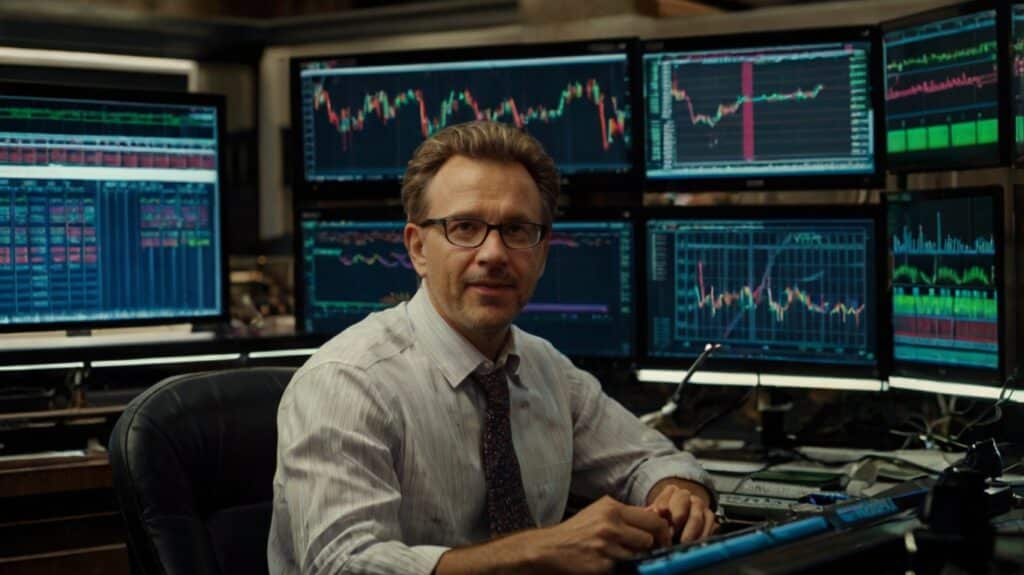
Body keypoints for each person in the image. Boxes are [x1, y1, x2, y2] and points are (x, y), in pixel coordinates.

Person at [269, 120, 717, 575]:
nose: (494, 254)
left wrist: (676, 494)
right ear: (418, 247)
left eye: (518, 230)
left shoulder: (546, 370)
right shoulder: (347, 383)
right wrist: (541, 550)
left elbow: (652, 459)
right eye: (465, 227)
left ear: (541, 254)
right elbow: (342, 566)